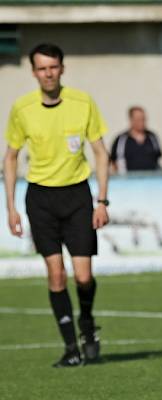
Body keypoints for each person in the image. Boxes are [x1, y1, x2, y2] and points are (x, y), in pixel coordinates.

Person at [3, 43, 110, 367]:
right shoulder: (22, 108)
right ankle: (70, 349)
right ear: (34, 72)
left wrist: (102, 200)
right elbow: (10, 157)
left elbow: (101, 153)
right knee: (56, 275)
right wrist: (10, 207)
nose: (48, 73)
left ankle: (87, 325)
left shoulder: (82, 103)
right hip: (40, 199)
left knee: (83, 277)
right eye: (42, 68)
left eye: (53, 67)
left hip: (77, 197)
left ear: (62, 69)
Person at [109, 106, 162, 173]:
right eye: (138, 119)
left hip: (151, 180)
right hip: (127, 181)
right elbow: (113, 162)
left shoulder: (152, 137)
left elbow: (157, 158)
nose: (141, 122)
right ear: (131, 120)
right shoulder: (121, 140)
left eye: (143, 119)